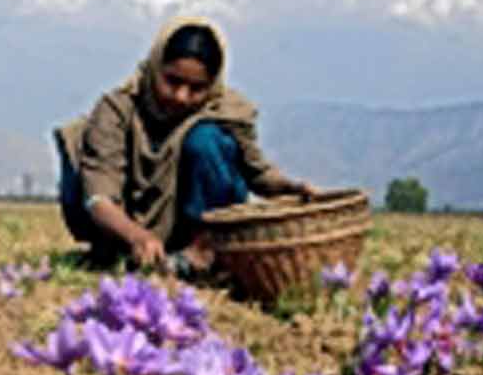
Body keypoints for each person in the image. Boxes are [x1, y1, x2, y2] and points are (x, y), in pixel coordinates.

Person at [54, 16, 315, 271]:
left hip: (193, 232)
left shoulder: (226, 111)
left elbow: (256, 173)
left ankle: (201, 253)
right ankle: (129, 252)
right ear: (156, 67)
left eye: (196, 88)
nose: (181, 97)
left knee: (207, 139)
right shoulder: (117, 110)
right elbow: (99, 198)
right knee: (80, 149)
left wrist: (291, 188)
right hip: (128, 231)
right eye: (172, 81)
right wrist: (136, 236)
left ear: (212, 85)